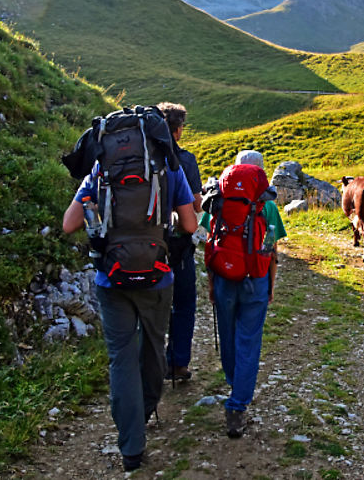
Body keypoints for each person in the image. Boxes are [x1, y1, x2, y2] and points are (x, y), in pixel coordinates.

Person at [61, 130, 197, 473]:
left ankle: (131, 446)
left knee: (120, 357)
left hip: (112, 278)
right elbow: (191, 223)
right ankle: (147, 407)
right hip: (158, 276)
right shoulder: (170, 168)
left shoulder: (99, 171)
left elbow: (68, 224)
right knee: (153, 348)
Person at [210, 149, 286, 438]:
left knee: (228, 335)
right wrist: (270, 285)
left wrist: (211, 285)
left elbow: (213, 240)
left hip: (224, 277)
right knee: (249, 340)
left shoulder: (221, 196)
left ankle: (234, 382)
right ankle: (238, 405)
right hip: (255, 277)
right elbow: (272, 250)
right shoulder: (267, 204)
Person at [157, 102, 204, 383]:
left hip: (143, 243)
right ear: (178, 130)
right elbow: (196, 204)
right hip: (178, 244)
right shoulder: (184, 160)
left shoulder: (140, 158)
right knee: (184, 302)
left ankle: (149, 363)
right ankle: (177, 363)